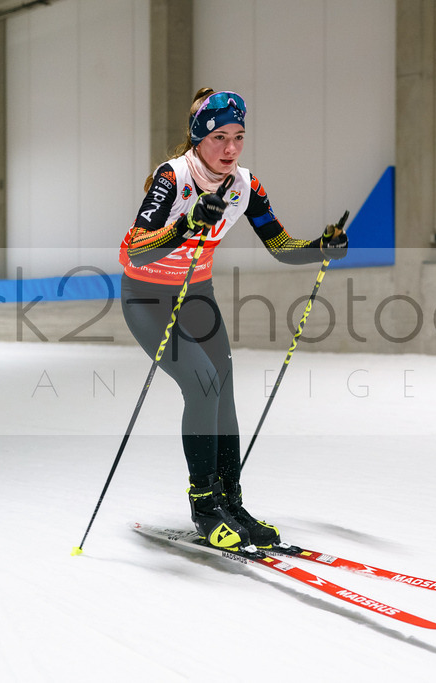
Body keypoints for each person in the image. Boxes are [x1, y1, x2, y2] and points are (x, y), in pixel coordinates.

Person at [118, 88, 348, 552]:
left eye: (238, 137)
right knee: (203, 384)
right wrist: (186, 225)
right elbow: (134, 251)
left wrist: (321, 247)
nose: (230, 149)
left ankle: (231, 503)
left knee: (223, 393)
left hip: (196, 295)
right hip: (148, 298)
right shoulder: (174, 177)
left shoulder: (246, 185)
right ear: (198, 138)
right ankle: (205, 507)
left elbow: (280, 247)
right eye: (219, 137)